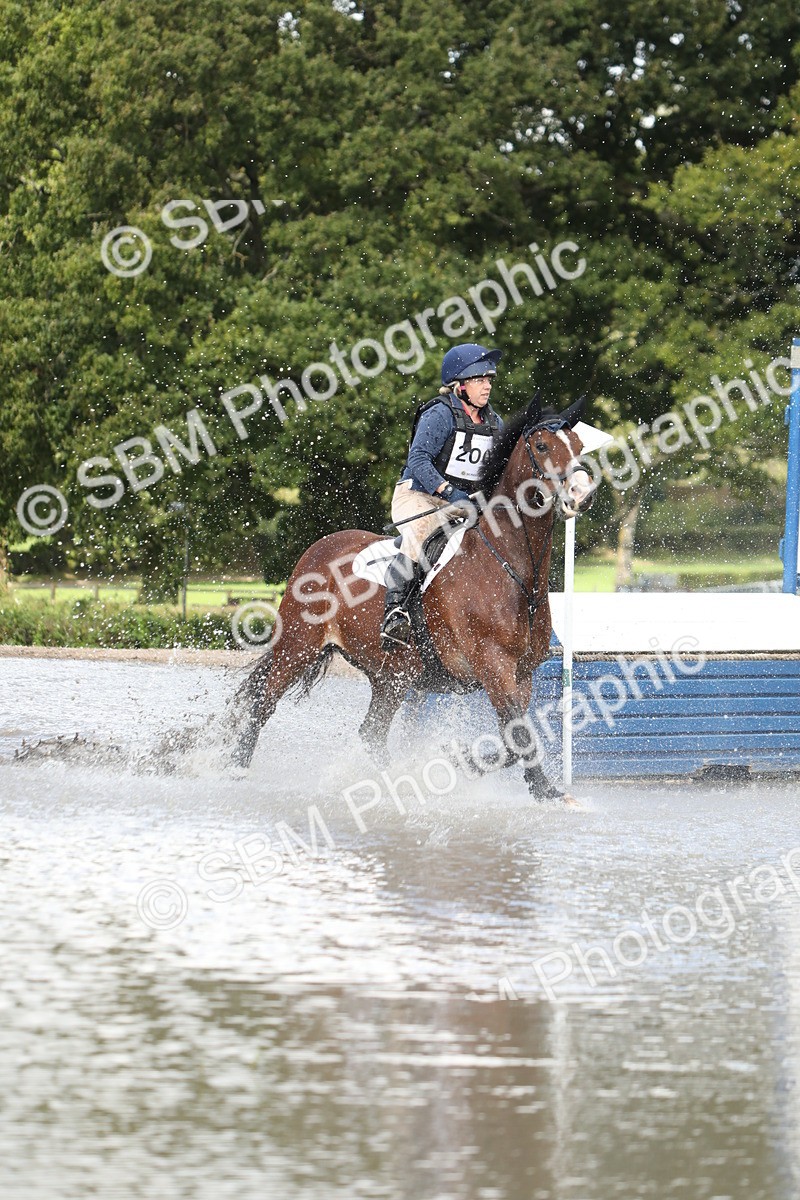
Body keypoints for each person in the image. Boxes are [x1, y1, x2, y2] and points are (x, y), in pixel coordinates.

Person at [380, 342, 504, 650]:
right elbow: (418, 461)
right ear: (459, 386)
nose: (486, 386)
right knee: (421, 532)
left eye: (488, 379)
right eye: (479, 380)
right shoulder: (440, 414)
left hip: (463, 502)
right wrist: (450, 492)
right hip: (420, 496)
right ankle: (395, 612)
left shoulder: (494, 423)